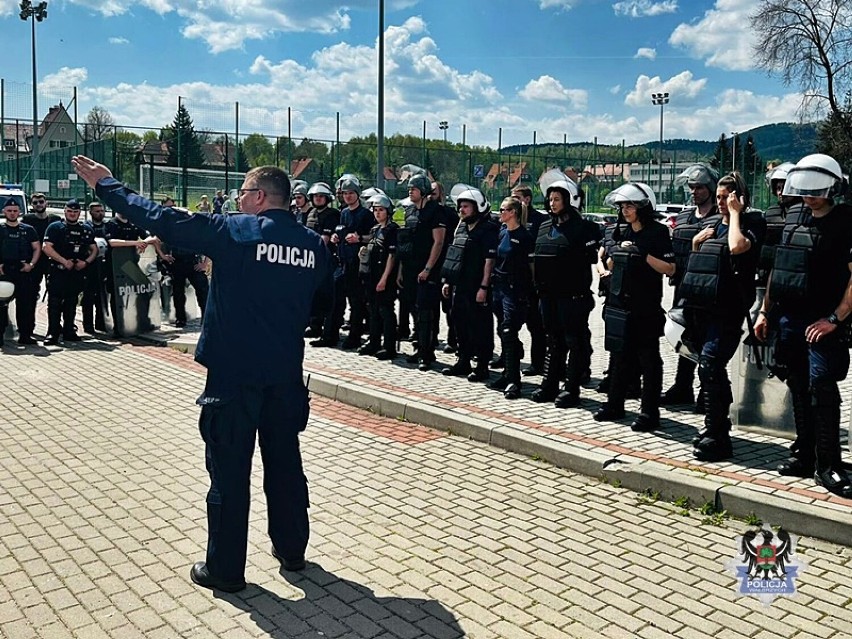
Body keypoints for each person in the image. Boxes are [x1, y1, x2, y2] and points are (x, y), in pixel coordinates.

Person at [72, 154, 334, 592]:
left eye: (243, 193)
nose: (238, 200)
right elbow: (325, 303)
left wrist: (107, 186)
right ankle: (292, 552)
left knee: (230, 472)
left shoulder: (236, 231)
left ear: (259, 197)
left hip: (233, 375)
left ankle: (226, 570)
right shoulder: (314, 245)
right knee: (286, 464)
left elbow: (166, 220)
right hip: (285, 374)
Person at [754, 154, 852, 498]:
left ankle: (830, 465)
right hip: (787, 318)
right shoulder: (793, 217)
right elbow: (777, 272)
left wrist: (835, 319)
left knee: (822, 388)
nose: (809, 196)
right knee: (796, 385)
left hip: (823, 322)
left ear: (833, 186)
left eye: (816, 189)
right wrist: (765, 313)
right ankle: (805, 454)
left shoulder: (846, 221)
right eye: (805, 189)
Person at [679, 172, 765, 461]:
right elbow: (696, 261)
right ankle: (713, 426)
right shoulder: (711, 224)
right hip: (702, 308)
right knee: (708, 368)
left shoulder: (752, 223)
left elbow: (737, 247)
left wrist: (736, 215)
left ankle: (719, 436)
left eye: (726, 198)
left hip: (728, 310)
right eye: (717, 198)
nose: (720, 203)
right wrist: (694, 243)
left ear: (739, 198)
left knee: (711, 365)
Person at [593, 183, 675, 431]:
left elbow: (670, 268)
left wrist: (644, 255)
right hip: (619, 304)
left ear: (643, 206)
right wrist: (603, 264)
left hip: (646, 306)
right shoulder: (620, 231)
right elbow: (608, 261)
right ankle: (615, 405)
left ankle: (649, 412)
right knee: (618, 357)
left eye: (629, 205)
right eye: (622, 206)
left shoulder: (657, 233)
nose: (625, 210)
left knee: (649, 360)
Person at [531, 171, 602, 407]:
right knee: (553, 341)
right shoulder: (543, 227)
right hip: (547, 296)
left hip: (573, 296)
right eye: (550, 200)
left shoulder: (585, 228)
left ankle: (571, 388)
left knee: (575, 342)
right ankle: (549, 384)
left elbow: (592, 257)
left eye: (557, 199)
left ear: (569, 200)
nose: (552, 204)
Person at [662, 163, 721, 411]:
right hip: (684, 288)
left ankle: (705, 391)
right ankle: (682, 385)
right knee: (683, 337)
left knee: (707, 341)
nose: (694, 191)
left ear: (710, 188)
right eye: (691, 187)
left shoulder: (720, 219)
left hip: (710, 291)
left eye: (699, 187)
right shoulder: (684, 217)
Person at [440, 185, 499, 382]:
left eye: (466, 206)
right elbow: (454, 254)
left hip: (477, 287)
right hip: (459, 286)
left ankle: (482, 366)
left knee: (480, 327)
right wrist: (448, 281)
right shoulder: (462, 227)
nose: (462, 210)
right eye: (460, 207)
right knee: (459, 324)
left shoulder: (488, 229)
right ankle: (463, 361)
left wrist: (484, 287)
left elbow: (489, 261)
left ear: (478, 207)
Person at [396, 173, 447, 370]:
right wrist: (401, 269)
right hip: (409, 269)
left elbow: (439, 241)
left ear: (424, 191)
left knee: (426, 312)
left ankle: (427, 353)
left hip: (427, 271)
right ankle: (418, 347)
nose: (410, 191)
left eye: (414, 188)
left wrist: (428, 268)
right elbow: (404, 243)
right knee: (414, 310)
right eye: (409, 188)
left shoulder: (436, 212)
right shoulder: (409, 212)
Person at [487, 196, 534, 399]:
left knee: (509, 330)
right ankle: (507, 372)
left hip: (516, 290)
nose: (500, 213)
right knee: (502, 329)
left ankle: (514, 381)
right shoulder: (502, 232)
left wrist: (530, 291)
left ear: (513, 212)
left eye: (503, 209)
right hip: (499, 286)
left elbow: (531, 267)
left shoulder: (524, 236)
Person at [319, 175, 373, 350]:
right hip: (342, 262)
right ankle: (330, 336)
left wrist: (359, 238)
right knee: (335, 301)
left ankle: (355, 337)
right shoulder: (343, 213)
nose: (348, 196)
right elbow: (340, 232)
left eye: (351, 193)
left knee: (356, 303)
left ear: (357, 194)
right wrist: (336, 237)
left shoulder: (365, 215)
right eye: (345, 193)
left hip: (356, 264)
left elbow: (373, 237)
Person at [41, 199, 98, 345]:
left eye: (75, 211)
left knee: (71, 302)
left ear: (79, 212)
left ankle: (69, 331)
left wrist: (85, 262)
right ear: (65, 211)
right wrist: (63, 261)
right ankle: (53, 333)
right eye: (70, 211)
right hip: (58, 271)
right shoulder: (55, 227)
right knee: (54, 303)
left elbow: (94, 249)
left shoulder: (86, 229)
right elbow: (47, 247)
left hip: (76, 272)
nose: (72, 214)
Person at [511, 184, 548, 376]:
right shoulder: (510, 218)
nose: (513, 201)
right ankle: (510, 357)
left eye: (516, 198)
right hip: (514, 279)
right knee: (509, 323)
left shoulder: (539, 220)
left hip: (532, 279)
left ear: (527, 199)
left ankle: (537, 363)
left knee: (535, 325)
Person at [358, 193, 399, 359]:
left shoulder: (393, 230)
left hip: (385, 277)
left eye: (381, 210)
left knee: (386, 311)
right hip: (371, 275)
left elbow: (392, 256)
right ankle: (374, 342)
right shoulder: (375, 230)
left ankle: (389, 347)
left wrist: (384, 279)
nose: (377, 213)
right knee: (373, 310)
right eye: (375, 210)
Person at [0, 198, 41, 345]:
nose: (12, 213)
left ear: (20, 212)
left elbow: (37, 248)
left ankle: (25, 335)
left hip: (23, 271)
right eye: (9, 211)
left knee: (26, 305)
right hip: (4, 272)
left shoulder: (28, 230)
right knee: (1, 306)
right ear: (4, 211)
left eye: (15, 211)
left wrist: (31, 264)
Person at [305, 182, 340, 341]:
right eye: (315, 196)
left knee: (325, 294)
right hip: (310, 258)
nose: (318, 199)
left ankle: (328, 332)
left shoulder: (332, 214)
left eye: (321, 196)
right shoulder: (311, 212)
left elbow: (324, 239)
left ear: (327, 198)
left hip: (326, 258)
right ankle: (315, 326)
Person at [22, 192, 61, 323]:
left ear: (46, 203)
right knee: (31, 294)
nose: (39, 205)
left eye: (41, 202)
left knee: (55, 295)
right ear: (32, 205)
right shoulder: (28, 220)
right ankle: (29, 326)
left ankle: (54, 326)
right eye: (35, 202)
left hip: (51, 260)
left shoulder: (55, 220)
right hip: (34, 261)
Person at [82, 201, 109, 333]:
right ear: (91, 212)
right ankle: (88, 325)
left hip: (105, 266)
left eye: (102, 210)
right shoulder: (86, 227)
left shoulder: (107, 227)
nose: (100, 213)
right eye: (97, 211)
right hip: (90, 267)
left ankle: (101, 323)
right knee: (88, 297)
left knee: (102, 296)